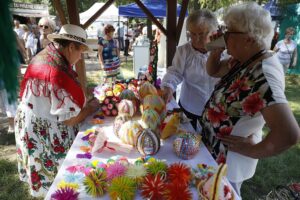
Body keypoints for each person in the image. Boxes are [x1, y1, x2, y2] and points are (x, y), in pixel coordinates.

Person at [202, 2, 300, 196]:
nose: (224, 36)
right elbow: (213, 71)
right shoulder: (243, 59)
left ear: (249, 38)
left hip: (229, 163)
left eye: (229, 32)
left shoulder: (264, 73)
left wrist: (253, 150)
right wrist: (216, 49)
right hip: (215, 155)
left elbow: (289, 134)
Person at [14, 24, 100, 197]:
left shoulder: (49, 55)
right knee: (59, 183)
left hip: (32, 120)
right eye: (80, 52)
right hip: (42, 128)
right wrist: (90, 108)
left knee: (54, 185)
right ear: (70, 47)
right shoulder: (56, 72)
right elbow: (69, 119)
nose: (81, 57)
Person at [161, 9, 219, 131]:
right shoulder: (184, 51)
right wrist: (168, 87)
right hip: (190, 108)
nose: (196, 39)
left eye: (202, 34)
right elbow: (175, 73)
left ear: (214, 32)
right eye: (192, 34)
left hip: (217, 111)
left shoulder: (223, 52)